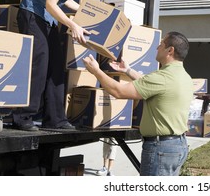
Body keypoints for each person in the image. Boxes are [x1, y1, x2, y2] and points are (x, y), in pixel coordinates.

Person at [12, 0, 102, 131]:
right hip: (32, 14)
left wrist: (87, 15)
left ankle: (55, 119)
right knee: (40, 63)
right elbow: (51, 4)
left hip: (47, 19)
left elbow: (65, 0)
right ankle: (22, 117)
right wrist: (73, 24)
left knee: (56, 67)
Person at [83, 31, 193, 176]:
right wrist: (127, 70)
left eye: (161, 44)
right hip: (177, 145)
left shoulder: (162, 77)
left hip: (161, 149)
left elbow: (119, 92)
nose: (157, 47)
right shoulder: (184, 77)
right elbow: (150, 84)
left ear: (170, 50)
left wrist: (96, 71)